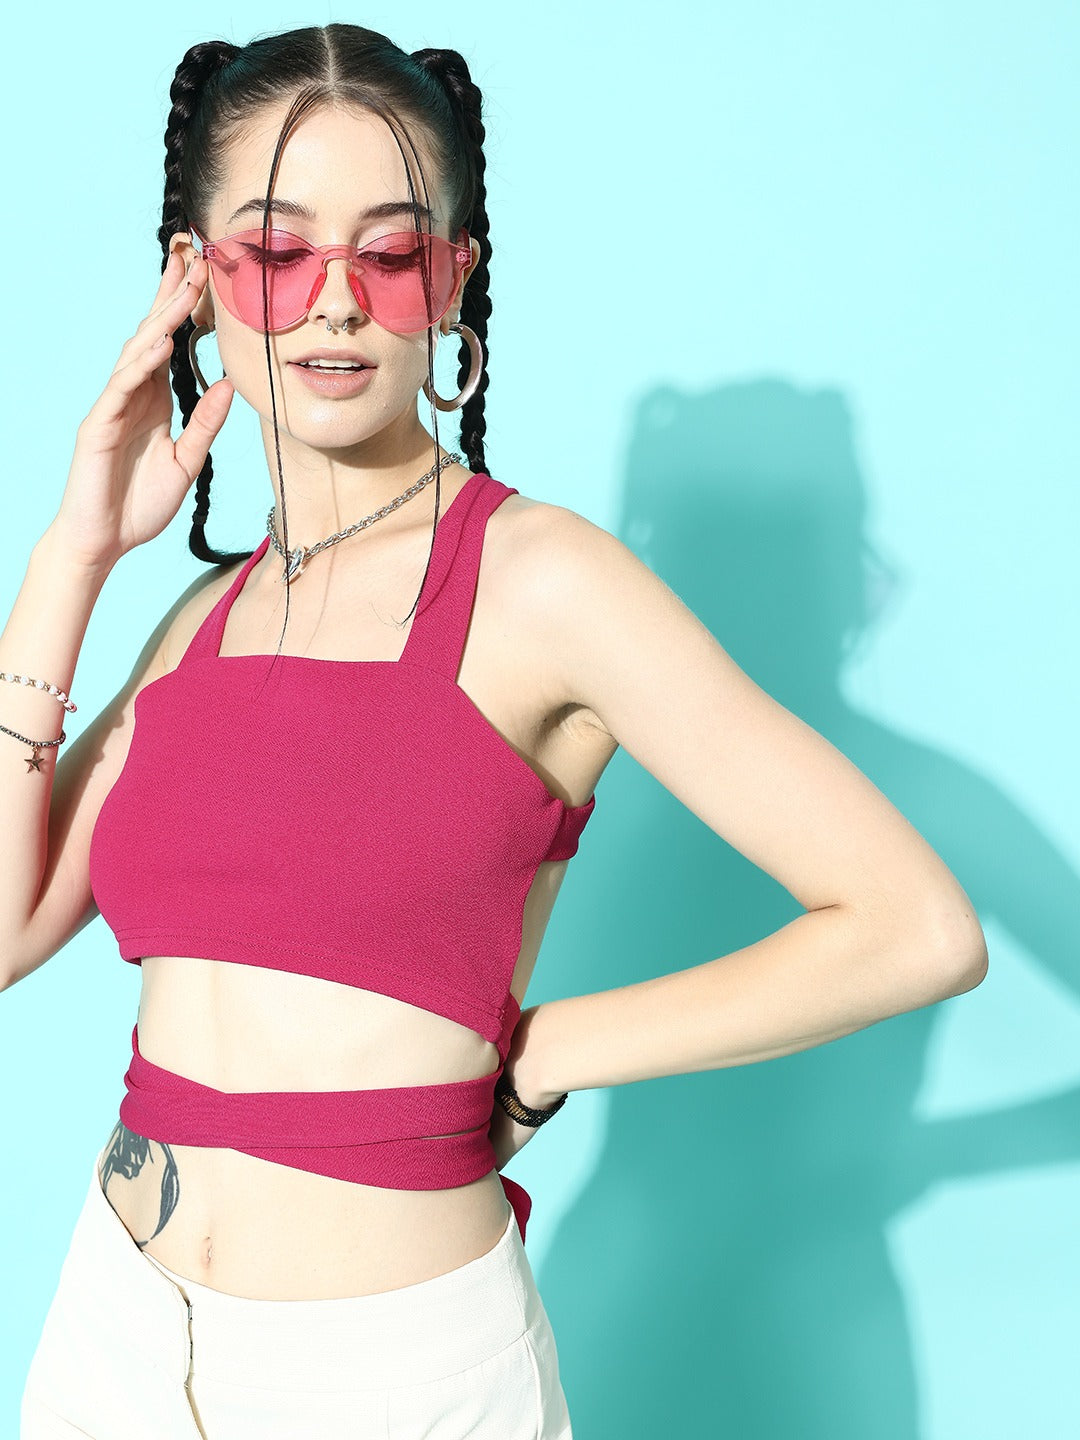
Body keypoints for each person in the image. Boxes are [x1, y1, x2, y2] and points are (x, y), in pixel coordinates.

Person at [3, 21, 988, 1440]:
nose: (334, 303)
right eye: (277, 251)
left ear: (455, 278)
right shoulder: (200, 621)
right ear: (196, 278)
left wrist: (551, 1045)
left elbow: (916, 928)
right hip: (114, 1336)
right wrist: (73, 557)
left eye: (390, 253)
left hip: (390, 1374)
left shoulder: (540, 581)